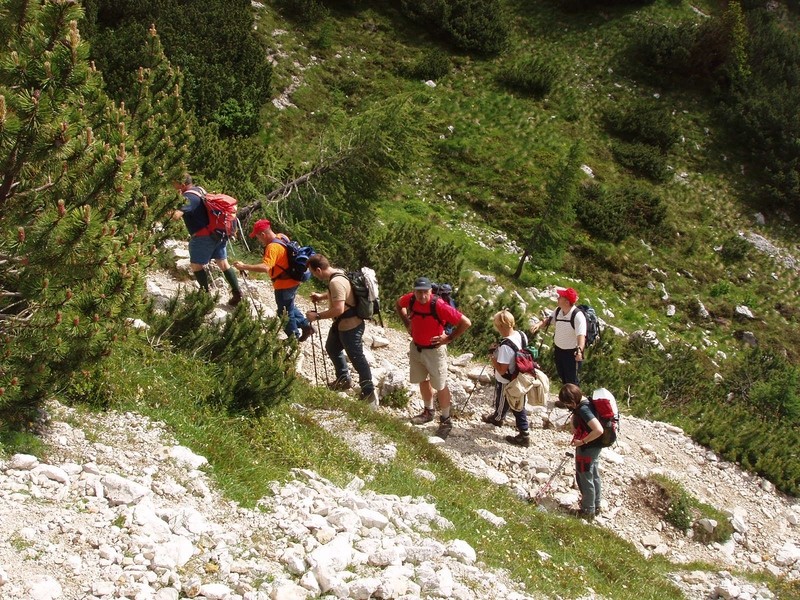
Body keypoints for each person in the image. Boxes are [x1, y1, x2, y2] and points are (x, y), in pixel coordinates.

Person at [396, 277, 471, 438]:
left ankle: (445, 420)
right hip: (417, 348)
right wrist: (406, 323)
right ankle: (428, 411)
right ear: (414, 291)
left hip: (435, 351)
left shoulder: (438, 305)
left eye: (425, 292)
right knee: (423, 380)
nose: (422, 296)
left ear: (431, 291)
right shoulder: (410, 299)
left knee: (440, 385)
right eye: (419, 292)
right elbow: (398, 304)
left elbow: (466, 322)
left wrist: (448, 338)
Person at [304, 254, 378, 407]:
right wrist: (321, 297)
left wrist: (317, 316)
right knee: (332, 347)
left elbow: (338, 308)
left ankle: (369, 391)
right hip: (342, 325)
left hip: (350, 326)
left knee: (356, 357)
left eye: (313, 273)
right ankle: (343, 379)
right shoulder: (339, 273)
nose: (314, 276)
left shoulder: (335, 282)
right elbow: (341, 295)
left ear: (318, 270)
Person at [232, 219, 314, 342]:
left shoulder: (272, 247)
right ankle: (305, 326)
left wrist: (244, 266)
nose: (258, 240)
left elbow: (265, 267)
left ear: (263, 234)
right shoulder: (282, 237)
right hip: (292, 280)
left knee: (284, 312)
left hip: (283, 284)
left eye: (258, 237)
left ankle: (293, 337)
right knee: (289, 307)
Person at [171, 173, 242, 306]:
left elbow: (176, 216)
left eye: (174, 183)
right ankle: (237, 292)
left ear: (182, 184)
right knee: (223, 263)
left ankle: (204, 294)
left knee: (196, 265)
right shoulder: (199, 190)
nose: (173, 186)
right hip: (218, 232)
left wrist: (170, 210)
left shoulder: (188, 197)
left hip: (203, 236)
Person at [482, 310, 531, 447]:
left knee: (511, 403)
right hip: (520, 376)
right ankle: (498, 416)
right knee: (516, 402)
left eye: (497, 326)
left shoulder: (505, 347)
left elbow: (502, 369)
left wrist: (492, 357)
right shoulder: (521, 335)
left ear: (501, 326)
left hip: (507, 379)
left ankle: (523, 433)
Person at [559, 383, 604, 520]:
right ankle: (596, 505)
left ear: (572, 401)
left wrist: (582, 441)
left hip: (588, 447)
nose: (567, 407)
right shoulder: (586, 402)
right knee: (593, 474)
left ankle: (587, 511)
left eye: (567, 404)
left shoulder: (584, 409)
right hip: (595, 446)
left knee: (585, 477)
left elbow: (599, 430)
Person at [530, 287, 586, 385]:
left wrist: (580, 351)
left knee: (572, 381)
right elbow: (549, 320)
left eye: (561, 297)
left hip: (571, 353)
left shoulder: (578, 316)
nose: (558, 298)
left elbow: (581, 336)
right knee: (562, 376)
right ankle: (566, 399)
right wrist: (538, 325)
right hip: (559, 350)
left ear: (567, 302)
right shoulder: (558, 310)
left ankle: (572, 400)